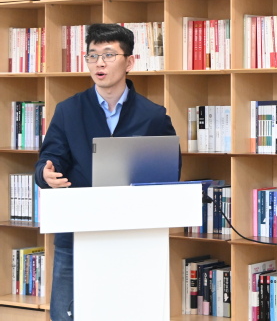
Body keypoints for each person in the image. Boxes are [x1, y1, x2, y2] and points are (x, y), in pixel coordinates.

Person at [34, 23, 177, 320]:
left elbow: (168, 171)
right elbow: (49, 159)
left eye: (109, 54)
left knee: (126, 311)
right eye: (93, 55)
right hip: (76, 228)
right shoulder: (68, 110)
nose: (99, 63)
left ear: (130, 61)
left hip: (132, 232)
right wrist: (45, 175)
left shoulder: (153, 116)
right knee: (66, 313)